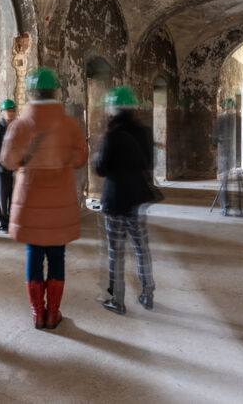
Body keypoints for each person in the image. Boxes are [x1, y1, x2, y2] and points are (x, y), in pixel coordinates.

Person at [0, 67, 88, 330]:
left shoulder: (20, 125)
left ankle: (37, 314)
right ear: (55, 91)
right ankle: (53, 314)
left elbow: (7, 161)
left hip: (30, 203)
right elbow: (80, 158)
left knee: (34, 254)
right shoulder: (69, 124)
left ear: (31, 93)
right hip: (60, 203)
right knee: (57, 256)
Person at [95, 86, 156, 314]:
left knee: (116, 251)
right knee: (141, 247)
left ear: (113, 108)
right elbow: (149, 163)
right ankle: (148, 293)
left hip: (114, 199)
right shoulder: (144, 132)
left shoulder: (111, 134)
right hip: (137, 197)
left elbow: (101, 169)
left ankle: (118, 300)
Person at [0, 99, 17, 233]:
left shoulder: (17, 127)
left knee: (14, 196)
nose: (10, 113)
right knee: (1, 197)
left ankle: (12, 222)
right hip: (0, 169)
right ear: (2, 112)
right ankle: (2, 224)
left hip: (14, 168)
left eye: (13, 111)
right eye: (8, 111)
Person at [214, 98, 238, 215]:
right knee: (226, 180)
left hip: (224, 152)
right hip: (232, 154)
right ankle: (227, 205)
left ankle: (225, 206)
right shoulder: (235, 119)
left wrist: (215, 140)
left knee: (224, 181)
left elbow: (216, 135)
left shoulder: (222, 118)